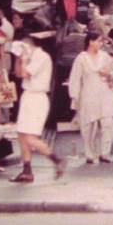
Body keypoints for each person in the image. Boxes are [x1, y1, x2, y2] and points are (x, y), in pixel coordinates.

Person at [9, 35, 66, 182]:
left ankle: (57, 160)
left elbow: (24, 73)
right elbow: (17, 73)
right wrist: (18, 57)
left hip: (37, 97)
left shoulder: (41, 57)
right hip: (28, 95)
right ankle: (27, 171)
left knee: (30, 137)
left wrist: (23, 58)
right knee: (22, 133)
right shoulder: (28, 57)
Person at [68, 31, 113, 164]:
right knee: (88, 125)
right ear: (90, 41)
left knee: (108, 123)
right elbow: (75, 79)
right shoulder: (81, 58)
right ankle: (89, 153)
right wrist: (75, 97)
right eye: (98, 41)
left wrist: (109, 75)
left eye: (102, 41)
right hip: (89, 93)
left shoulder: (105, 56)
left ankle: (105, 153)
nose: (101, 44)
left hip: (105, 92)